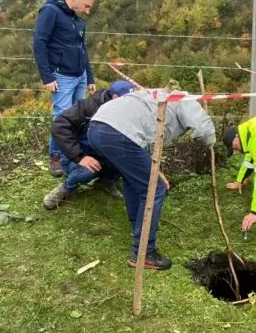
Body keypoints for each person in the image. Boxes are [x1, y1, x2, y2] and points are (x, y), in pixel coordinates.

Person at [87, 90, 216, 270]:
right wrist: (212, 145)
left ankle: (138, 229)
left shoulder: (156, 94)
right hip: (120, 133)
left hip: (97, 127)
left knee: (133, 181)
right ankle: (144, 253)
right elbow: (204, 130)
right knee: (155, 189)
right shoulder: (185, 100)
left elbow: (143, 135)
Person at [32, 0, 97, 177]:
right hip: (61, 77)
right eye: (86, 6)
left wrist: (89, 76)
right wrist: (47, 76)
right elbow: (39, 43)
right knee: (62, 117)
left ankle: (74, 155)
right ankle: (56, 157)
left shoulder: (79, 21)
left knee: (80, 117)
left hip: (80, 76)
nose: (87, 11)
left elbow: (82, 49)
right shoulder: (50, 11)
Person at [42, 81, 136, 210]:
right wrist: (79, 157)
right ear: (115, 97)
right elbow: (59, 126)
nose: (130, 104)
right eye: (127, 100)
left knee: (126, 158)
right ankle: (64, 189)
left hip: (104, 154)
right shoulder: (87, 107)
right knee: (91, 168)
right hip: (76, 158)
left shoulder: (124, 111)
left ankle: (105, 182)